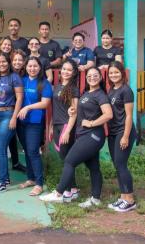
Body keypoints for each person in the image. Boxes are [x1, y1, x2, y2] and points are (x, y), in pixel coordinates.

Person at [40, 67, 112, 207]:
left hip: (93, 135)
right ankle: (95, 199)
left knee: (69, 161)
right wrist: (72, 111)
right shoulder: (87, 93)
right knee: (94, 168)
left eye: (95, 75)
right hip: (85, 135)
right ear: (86, 78)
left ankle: (59, 193)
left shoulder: (100, 95)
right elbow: (80, 112)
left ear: (101, 78)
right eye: (89, 76)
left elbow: (108, 115)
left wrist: (91, 123)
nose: (92, 77)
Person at [0, 53, 24, 193]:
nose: (1, 64)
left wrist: (14, 117)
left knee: (0, 147)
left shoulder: (14, 77)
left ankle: (2, 181)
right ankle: (6, 178)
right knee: (0, 148)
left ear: (8, 63)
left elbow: (19, 98)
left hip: (7, 115)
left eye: (4, 62)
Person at [17, 57, 51, 196]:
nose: (32, 68)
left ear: (40, 67)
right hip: (21, 122)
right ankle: (30, 179)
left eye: (35, 66)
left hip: (35, 122)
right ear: (26, 67)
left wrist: (28, 108)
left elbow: (45, 103)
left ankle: (39, 183)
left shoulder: (44, 83)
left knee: (33, 151)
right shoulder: (22, 80)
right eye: (30, 66)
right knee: (26, 150)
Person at [106, 61, 137, 212]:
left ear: (122, 73)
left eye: (116, 72)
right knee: (117, 165)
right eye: (111, 73)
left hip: (123, 132)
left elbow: (129, 116)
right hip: (112, 133)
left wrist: (125, 136)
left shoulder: (126, 90)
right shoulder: (111, 90)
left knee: (121, 164)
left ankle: (130, 199)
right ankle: (123, 197)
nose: (113, 75)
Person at [50, 60, 80, 202]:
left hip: (65, 126)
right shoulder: (57, 87)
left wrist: (68, 131)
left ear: (73, 73)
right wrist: (50, 125)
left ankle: (67, 190)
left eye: (69, 70)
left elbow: (74, 112)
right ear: (60, 70)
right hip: (56, 125)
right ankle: (73, 189)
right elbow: (55, 108)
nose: (66, 72)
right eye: (64, 69)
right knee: (65, 158)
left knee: (66, 159)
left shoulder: (73, 88)